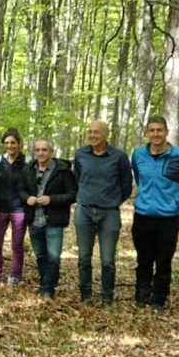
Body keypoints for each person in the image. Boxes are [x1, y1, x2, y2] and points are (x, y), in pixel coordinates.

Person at [129, 116, 179, 312]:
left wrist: (176, 202)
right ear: (147, 132)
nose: (156, 134)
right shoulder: (138, 155)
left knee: (163, 259)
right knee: (143, 257)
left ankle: (159, 298)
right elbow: (138, 177)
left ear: (166, 132)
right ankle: (142, 293)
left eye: (159, 130)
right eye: (152, 130)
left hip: (168, 217)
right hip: (143, 214)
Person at [72, 120, 132, 306]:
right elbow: (77, 180)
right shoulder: (81, 154)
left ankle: (107, 297)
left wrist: (113, 201)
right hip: (84, 211)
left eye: (96, 132)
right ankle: (86, 295)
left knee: (107, 259)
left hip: (109, 213)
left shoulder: (119, 157)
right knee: (83, 257)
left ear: (106, 135)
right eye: (89, 132)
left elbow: (126, 185)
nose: (92, 135)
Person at [23, 137, 77, 298]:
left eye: (44, 150)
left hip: (54, 219)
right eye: (37, 150)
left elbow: (73, 194)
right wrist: (27, 198)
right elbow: (20, 190)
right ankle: (46, 281)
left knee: (53, 256)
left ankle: (47, 289)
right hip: (34, 219)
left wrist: (51, 199)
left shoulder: (63, 170)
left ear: (51, 152)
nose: (40, 153)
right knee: (40, 255)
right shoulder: (28, 169)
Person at [0, 129, 33, 285]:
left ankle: (14, 277)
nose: (10, 146)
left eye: (13, 142)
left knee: (17, 245)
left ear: (19, 143)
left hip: (19, 209)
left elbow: (31, 185)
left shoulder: (27, 162)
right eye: (6, 143)